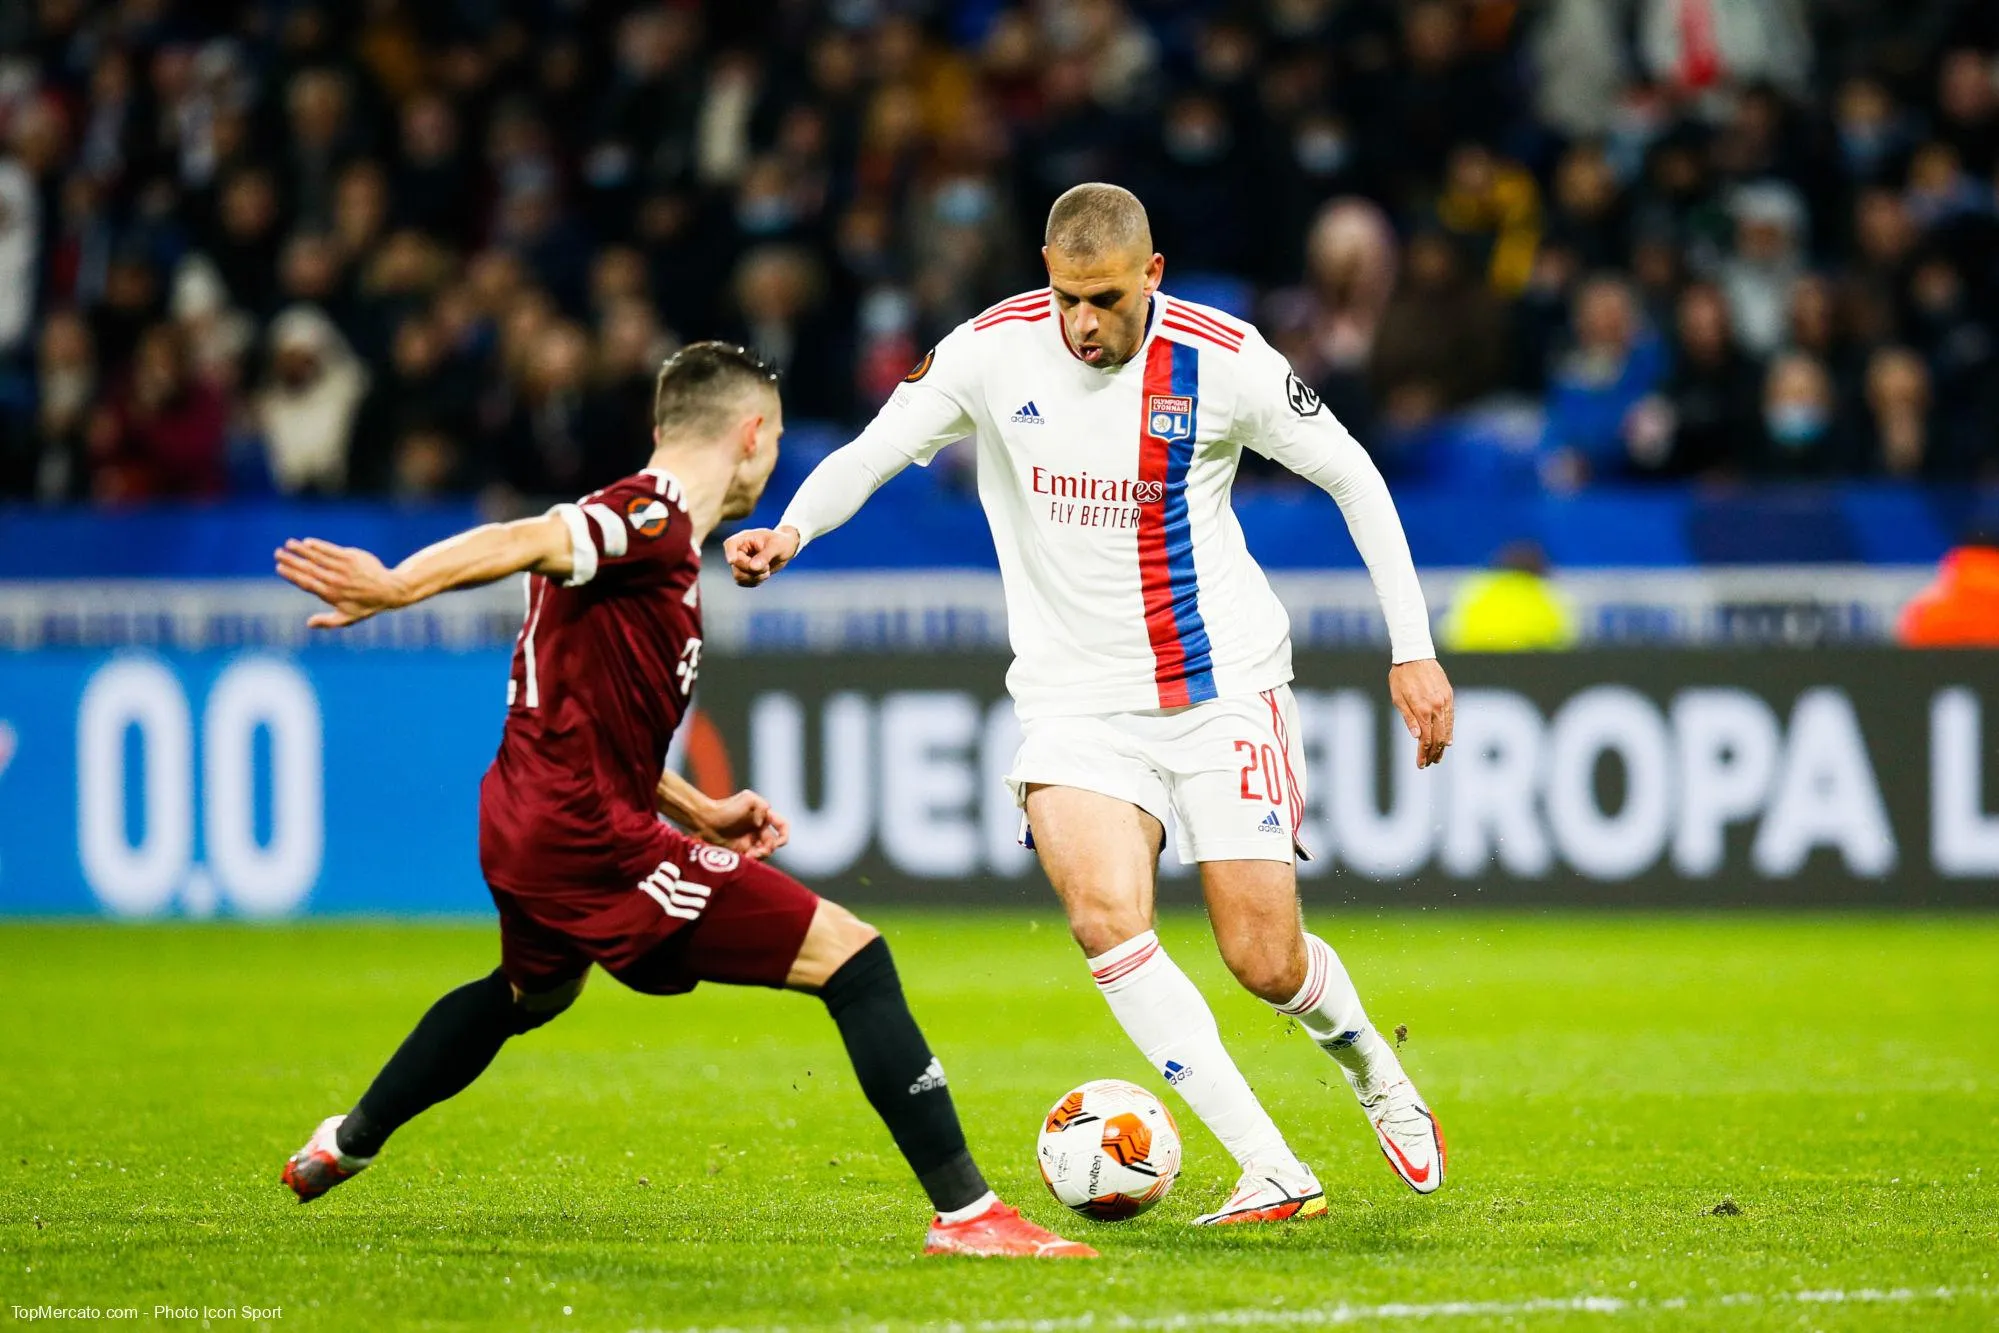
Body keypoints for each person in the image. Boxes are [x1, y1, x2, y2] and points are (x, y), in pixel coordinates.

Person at [728, 184, 1455, 1225]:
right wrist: (790, 532)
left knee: (1264, 958)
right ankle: (1272, 1168)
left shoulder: (1226, 358)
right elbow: (876, 449)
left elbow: (1354, 478)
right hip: (1072, 701)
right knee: (1103, 917)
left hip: (1221, 688)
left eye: (1104, 298)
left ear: (1150, 276)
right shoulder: (992, 349)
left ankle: (1372, 1067)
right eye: (1065, 295)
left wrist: (1411, 649)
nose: (1080, 323)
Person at [273, 342, 1092, 1260]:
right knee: (853, 958)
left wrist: (695, 808)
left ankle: (343, 1142)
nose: (772, 457)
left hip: (527, 814)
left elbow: (585, 709)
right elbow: (524, 536)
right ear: (751, 435)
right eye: (775, 439)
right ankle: (970, 1214)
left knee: (531, 993)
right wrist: (394, 585)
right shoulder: (648, 517)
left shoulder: (651, 542)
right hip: (585, 836)